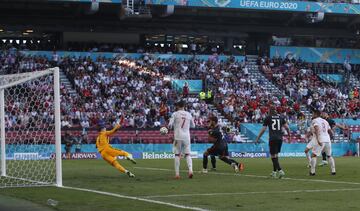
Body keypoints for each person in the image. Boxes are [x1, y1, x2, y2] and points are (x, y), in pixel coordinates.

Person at [255, 107, 290, 179]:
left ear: (270, 111)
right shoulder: (281, 117)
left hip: (273, 138)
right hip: (280, 138)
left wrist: (258, 138)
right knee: (276, 155)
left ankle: (280, 170)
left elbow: (263, 129)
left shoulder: (268, 118)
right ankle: (274, 172)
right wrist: (289, 136)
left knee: (273, 156)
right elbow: (287, 128)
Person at [168, 100, 195, 179]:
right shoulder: (189, 114)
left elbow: (170, 125)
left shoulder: (175, 114)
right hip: (187, 137)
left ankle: (177, 174)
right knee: (187, 154)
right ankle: (190, 171)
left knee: (177, 154)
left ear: (178, 106)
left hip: (178, 137)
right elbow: (193, 126)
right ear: (184, 106)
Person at [307, 110, 335, 176]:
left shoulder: (315, 120)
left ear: (316, 114)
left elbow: (316, 129)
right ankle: (333, 171)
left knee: (314, 155)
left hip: (321, 139)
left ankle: (312, 172)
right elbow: (330, 131)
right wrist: (330, 138)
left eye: (313, 114)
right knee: (329, 156)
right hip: (327, 140)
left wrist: (318, 139)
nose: (312, 115)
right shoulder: (325, 121)